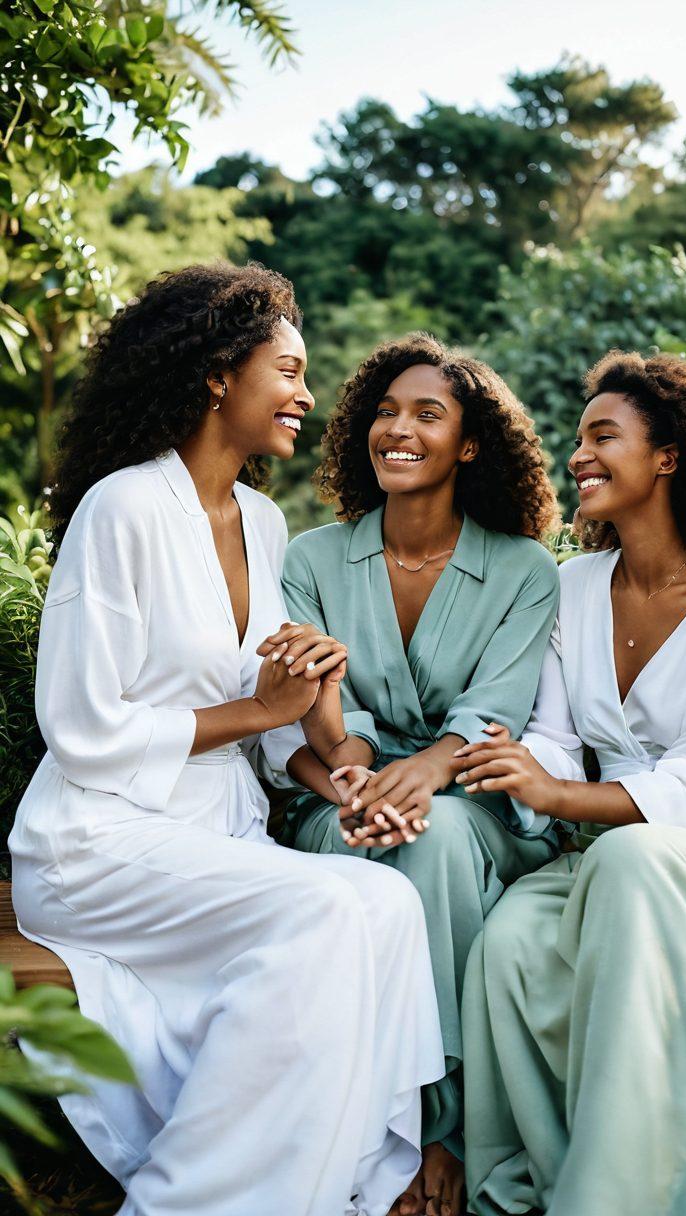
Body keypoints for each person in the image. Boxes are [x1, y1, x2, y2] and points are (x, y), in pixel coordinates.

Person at [10, 263, 445, 1216]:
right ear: (218, 374)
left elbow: (270, 712)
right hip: (100, 842)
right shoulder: (122, 508)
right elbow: (80, 727)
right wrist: (259, 710)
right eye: (287, 371)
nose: (307, 395)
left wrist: (329, 762)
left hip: (214, 837)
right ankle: (185, 1202)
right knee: (324, 918)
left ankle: (338, 1184)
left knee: (384, 906)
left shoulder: (261, 519)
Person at [454, 350, 686, 1216]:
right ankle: (558, 1165)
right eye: (578, 438)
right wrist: (511, 762)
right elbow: (553, 739)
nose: (578, 454)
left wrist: (555, 797)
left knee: (634, 865)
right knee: (509, 939)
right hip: (608, 843)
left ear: (669, 455)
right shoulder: (573, 585)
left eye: (603, 436)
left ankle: (616, 1196)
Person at [259, 335, 560, 1216]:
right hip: (338, 794)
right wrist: (354, 783)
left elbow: (494, 711)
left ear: (470, 444)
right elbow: (323, 726)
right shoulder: (312, 560)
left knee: (440, 838)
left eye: (428, 414)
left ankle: (440, 1133)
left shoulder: (524, 569)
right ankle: (360, 1128)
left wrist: (425, 774)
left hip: (473, 798)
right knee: (361, 857)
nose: (398, 428)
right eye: (386, 411)